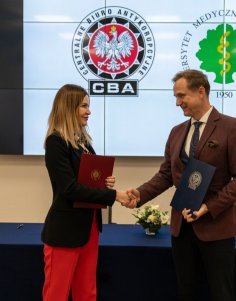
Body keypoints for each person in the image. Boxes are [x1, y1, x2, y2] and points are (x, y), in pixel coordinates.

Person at [127, 70, 236, 301]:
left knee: (221, 294)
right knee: (186, 292)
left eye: (181, 96)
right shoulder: (176, 132)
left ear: (201, 92)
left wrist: (208, 207)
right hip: (181, 228)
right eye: (176, 97)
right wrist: (140, 193)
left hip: (216, 227)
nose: (177, 103)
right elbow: (166, 174)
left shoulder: (231, 127)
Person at [41, 84, 134, 301]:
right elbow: (70, 188)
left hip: (89, 226)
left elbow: (86, 179)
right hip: (65, 231)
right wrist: (114, 195)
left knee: (87, 291)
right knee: (57, 293)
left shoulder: (83, 142)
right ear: (69, 108)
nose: (89, 111)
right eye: (84, 106)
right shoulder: (56, 141)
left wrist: (104, 183)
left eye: (88, 106)